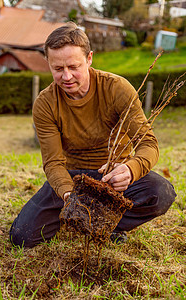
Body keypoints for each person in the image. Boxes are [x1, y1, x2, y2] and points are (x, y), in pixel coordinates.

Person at [10, 22, 176, 248]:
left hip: (113, 179)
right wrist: (70, 197)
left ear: (89, 58)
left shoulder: (117, 89)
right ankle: (78, 220)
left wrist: (129, 169)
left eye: (73, 66)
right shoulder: (45, 104)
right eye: (58, 69)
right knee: (22, 237)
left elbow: (148, 144)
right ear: (48, 63)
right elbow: (53, 163)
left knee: (160, 193)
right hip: (73, 180)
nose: (66, 76)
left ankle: (108, 225)